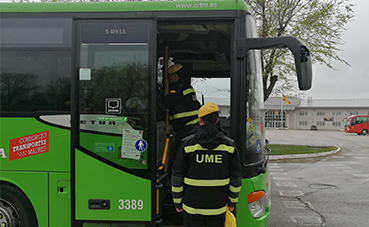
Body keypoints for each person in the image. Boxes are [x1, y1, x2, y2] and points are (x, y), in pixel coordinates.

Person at [171, 102, 242, 227]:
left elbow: (177, 175)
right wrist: (232, 202)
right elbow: (236, 177)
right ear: (217, 120)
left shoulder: (187, 144)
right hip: (218, 209)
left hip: (192, 209)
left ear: (200, 120)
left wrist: (177, 202)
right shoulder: (229, 145)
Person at [163, 64, 201, 167]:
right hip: (189, 127)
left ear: (175, 76)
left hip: (187, 128)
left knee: (181, 157)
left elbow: (166, 102)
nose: (167, 79)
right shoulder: (185, 87)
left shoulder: (179, 89)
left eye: (169, 76)